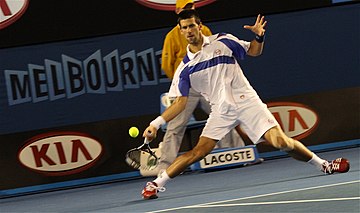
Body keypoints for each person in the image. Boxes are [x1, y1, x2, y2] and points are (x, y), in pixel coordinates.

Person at [141, 10, 350, 199]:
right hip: (221, 110)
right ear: (180, 31)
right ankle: (156, 184)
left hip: (247, 102)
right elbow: (180, 104)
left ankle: (324, 165)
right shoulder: (184, 69)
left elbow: (254, 51)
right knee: (197, 152)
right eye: (184, 27)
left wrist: (259, 36)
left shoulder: (223, 41)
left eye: (192, 26)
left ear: (200, 26)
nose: (188, 31)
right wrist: (155, 124)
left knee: (280, 142)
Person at [157, 0, 246, 173]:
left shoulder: (204, 30)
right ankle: (164, 167)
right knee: (175, 127)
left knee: (224, 114)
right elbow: (167, 65)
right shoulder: (171, 37)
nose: (190, 9)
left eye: (191, 6)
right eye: (186, 7)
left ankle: (238, 153)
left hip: (207, 85)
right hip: (187, 89)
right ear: (177, 11)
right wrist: (180, 85)